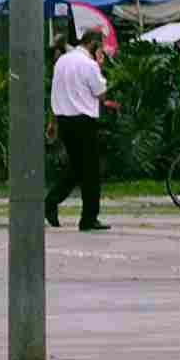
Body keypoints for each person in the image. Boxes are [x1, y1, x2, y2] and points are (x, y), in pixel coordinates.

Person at [46, 26, 109, 233]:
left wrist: (53, 122)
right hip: (84, 122)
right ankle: (88, 218)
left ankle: (51, 201)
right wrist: (99, 65)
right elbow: (101, 94)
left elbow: (55, 92)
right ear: (94, 44)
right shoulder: (89, 64)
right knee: (90, 171)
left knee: (76, 167)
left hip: (64, 120)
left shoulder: (62, 61)